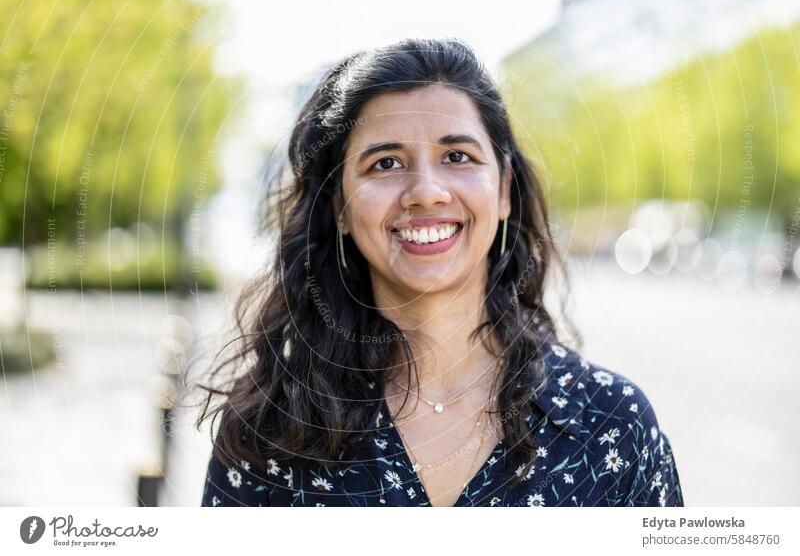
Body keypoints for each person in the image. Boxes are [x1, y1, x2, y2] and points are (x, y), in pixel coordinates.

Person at [197, 37, 683, 507]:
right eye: (386, 163)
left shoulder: (611, 427)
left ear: (504, 191)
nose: (426, 192)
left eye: (457, 156)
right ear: (340, 207)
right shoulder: (268, 433)